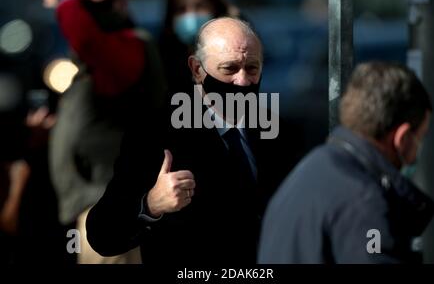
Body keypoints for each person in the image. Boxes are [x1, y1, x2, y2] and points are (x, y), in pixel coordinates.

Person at [86, 17, 300, 264]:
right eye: (229, 69)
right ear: (197, 70)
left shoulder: (281, 134)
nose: (243, 81)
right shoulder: (157, 134)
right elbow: (102, 234)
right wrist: (151, 205)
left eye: (252, 68)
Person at [43, 0, 166, 264]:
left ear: (120, 5)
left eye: (91, 5)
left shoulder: (131, 46)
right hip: (93, 204)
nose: (83, 13)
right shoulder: (97, 57)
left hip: (111, 208)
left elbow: (85, 37)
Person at [258, 62, 434, 264]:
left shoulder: (307, 171)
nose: (417, 152)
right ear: (402, 138)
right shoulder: (365, 203)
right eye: (420, 137)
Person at [159, 0, 238, 94]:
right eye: (181, 9)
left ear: (216, 10)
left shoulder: (237, 57)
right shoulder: (162, 64)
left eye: (199, 6)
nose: (191, 15)